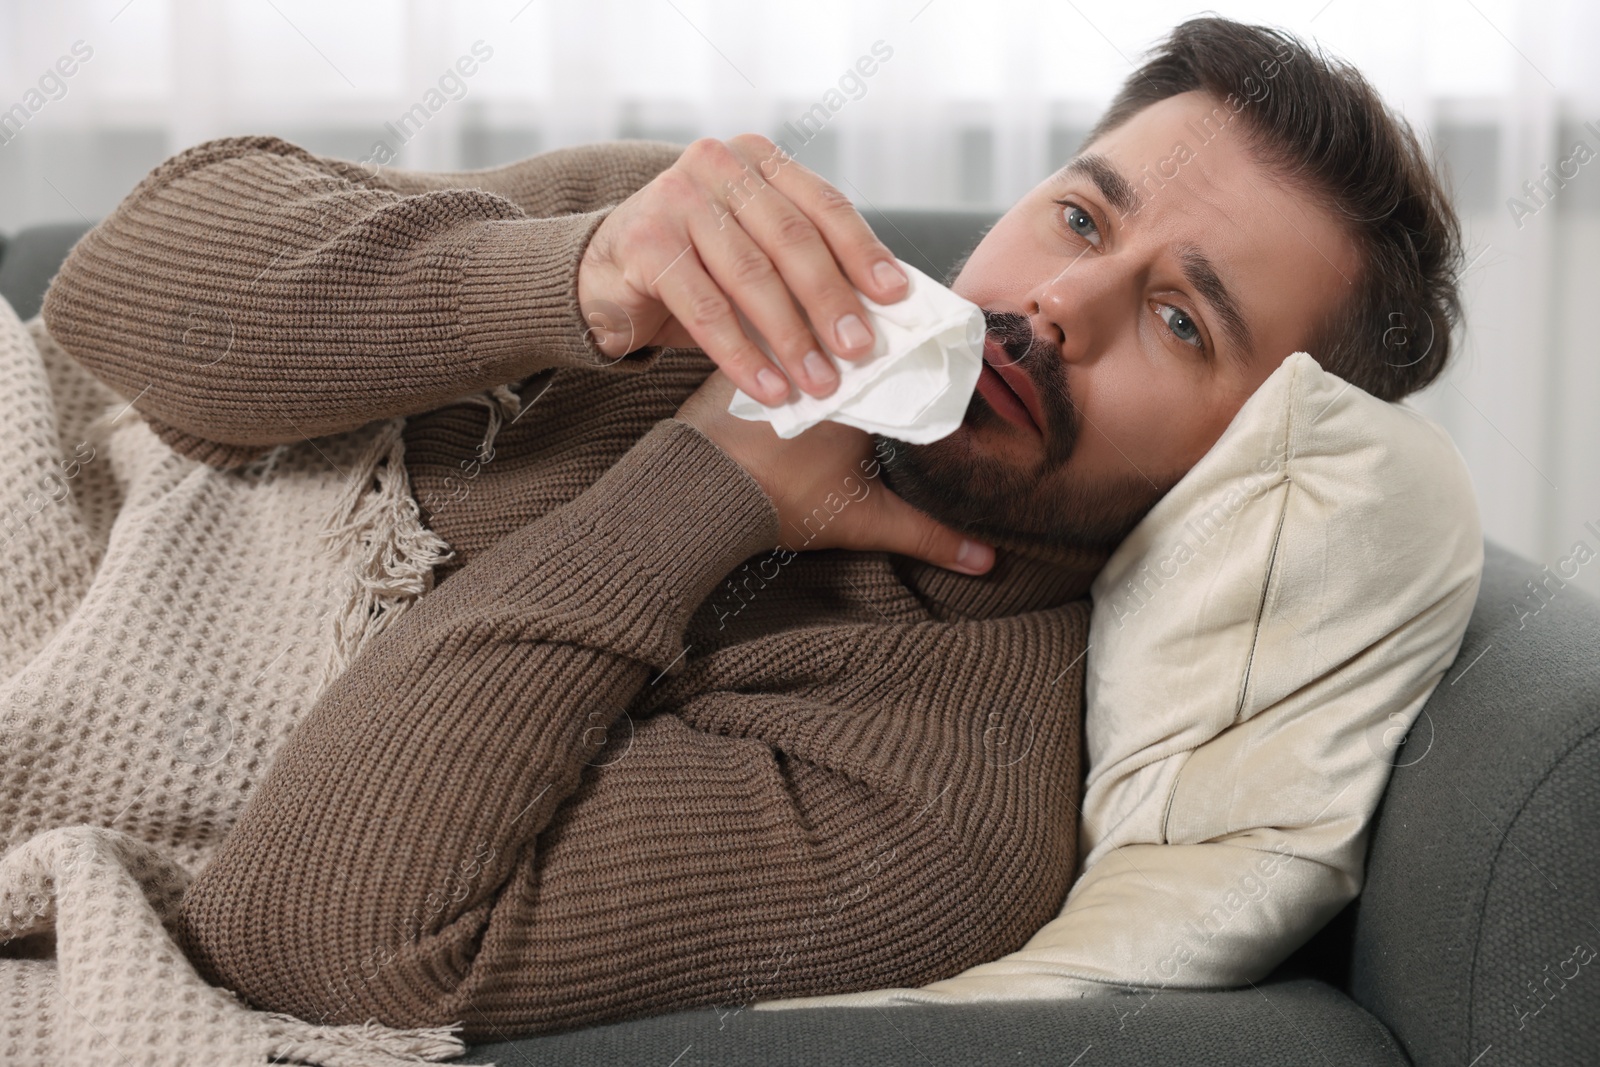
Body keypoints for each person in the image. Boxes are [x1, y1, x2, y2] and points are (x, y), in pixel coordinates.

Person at [38, 16, 1462, 1040]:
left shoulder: (942, 802)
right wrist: (570, 278)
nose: (1055, 315)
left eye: (1177, 319)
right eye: (1083, 219)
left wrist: (713, 477)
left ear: (1248, 456)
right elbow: (107, 304)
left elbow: (308, 935)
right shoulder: (701, 253)